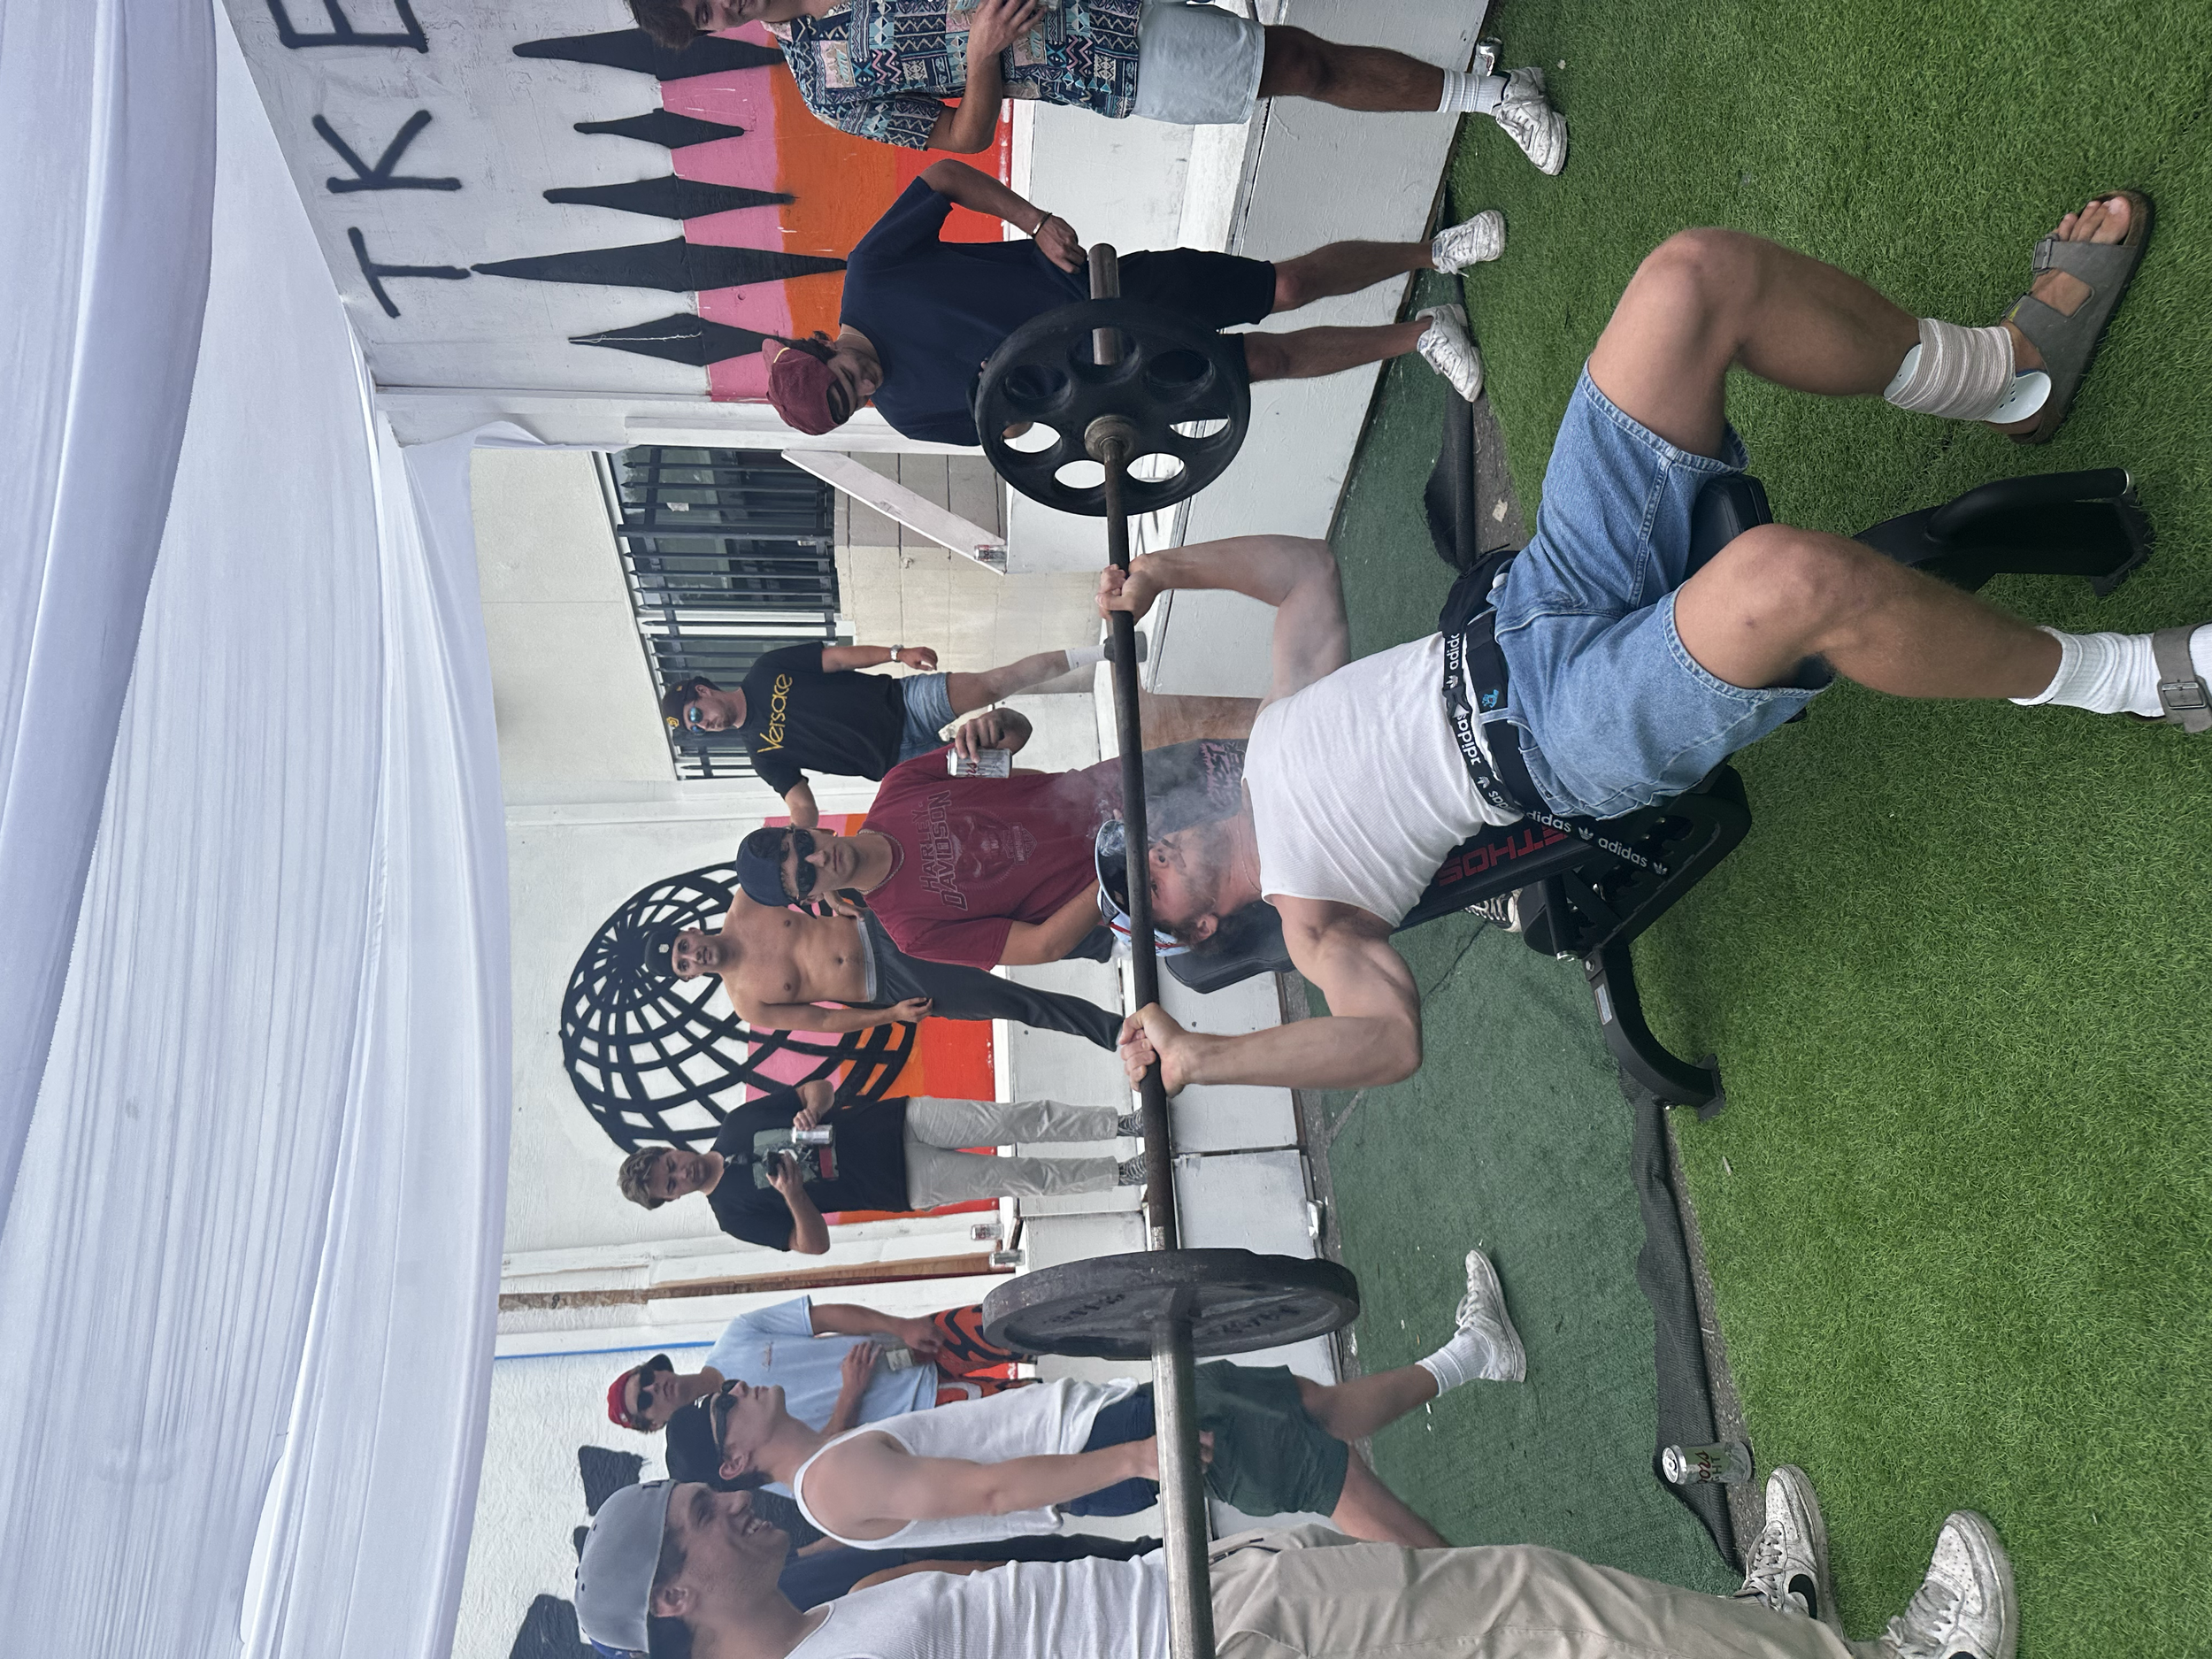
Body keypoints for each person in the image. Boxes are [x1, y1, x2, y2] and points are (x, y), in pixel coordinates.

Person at [1106, 193, 2201, 1095]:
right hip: (1565, 738)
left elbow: (1302, 570)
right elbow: (1387, 1042)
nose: (1141, 846)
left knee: (1688, 278)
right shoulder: (1314, 925)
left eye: (1128, 839)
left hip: (1534, 600)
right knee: (1790, 577)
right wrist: (1208, 1056)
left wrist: (1162, 569)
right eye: (1138, 885)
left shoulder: (1273, 729)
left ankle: (2010, 378)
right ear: (1203, 922)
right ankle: (2133, 682)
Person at [575, 1462, 2019, 1659]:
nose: (736, 1503)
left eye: (710, 1489)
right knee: (1542, 1612)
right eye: (705, 1518)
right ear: (675, 1598)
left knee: (1543, 1622)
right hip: (1221, 1640)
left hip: (1202, 1607)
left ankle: (1763, 1627)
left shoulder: (836, 1625)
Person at [676, 1250, 1522, 1551]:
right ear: (735, 1459)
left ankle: (1475, 1351)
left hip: (1097, 1433)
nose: (735, 1386)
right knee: (1324, 1478)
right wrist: (1129, 1457)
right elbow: (992, 1491)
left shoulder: (827, 1464)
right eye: (724, 1409)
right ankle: (1497, 1603)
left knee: (1308, 1407)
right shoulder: (828, 1485)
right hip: (1102, 1449)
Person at [757, 157, 1497, 447]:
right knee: (1261, 362)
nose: (866, 388)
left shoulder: (871, 273)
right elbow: (1008, 431)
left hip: (1104, 292)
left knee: (1285, 286)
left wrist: (1036, 221)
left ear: (824, 342)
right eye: (853, 402)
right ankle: (1425, 334)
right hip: (1111, 383)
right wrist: (1013, 409)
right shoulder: (907, 415)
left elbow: (944, 178)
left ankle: (1436, 250)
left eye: (847, 377)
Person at [623, 0, 1566, 173]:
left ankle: (1481, 81)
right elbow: (953, 140)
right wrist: (985, 51)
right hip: (1099, 52)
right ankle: (1493, 96)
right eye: (708, 14)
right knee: (1295, 68)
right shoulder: (824, 85)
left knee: (1297, 58)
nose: (724, 2)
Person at [615, 1077, 1145, 1252]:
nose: (679, 1173)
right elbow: (813, 1246)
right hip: (899, 1182)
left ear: (668, 1148)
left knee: (1014, 1118)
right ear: (672, 1199)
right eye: (670, 1186)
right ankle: (1121, 1174)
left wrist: (812, 1109)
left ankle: (1119, 1125)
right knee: (1019, 1178)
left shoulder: (733, 1123)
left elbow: (817, 1087)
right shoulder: (732, 1216)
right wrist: (794, 1194)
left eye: (669, 1164)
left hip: (895, 1121)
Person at [733, 749, 1124, 971]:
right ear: (811, 899)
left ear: (816, 830)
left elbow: (1019, 767)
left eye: (802, 843)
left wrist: (1002, 726)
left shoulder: (900, 782)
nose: (817, 857)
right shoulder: (912, 931)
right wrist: (1117, 863)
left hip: (1114, 784)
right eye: (804, 874)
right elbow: (1043, 946)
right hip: (1138, 875)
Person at [662, 641, 1110, 829]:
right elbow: (801, 804)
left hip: (901, 701)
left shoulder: (765, 671)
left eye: (696, 712)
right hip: (902, 764)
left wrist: (898, 652)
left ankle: (1100, 651)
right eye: (696, 728)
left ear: (702, 690)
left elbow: (836, 659)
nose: (704, 724)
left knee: (992, 683)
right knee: (1000, 775)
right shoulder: (760, 754)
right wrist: (797, 838)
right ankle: (1092, 793)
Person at [664, 887, 1123, 1048]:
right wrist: (891, 1015)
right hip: (888, 984)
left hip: (882, 926)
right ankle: (1118, 1034)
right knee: (1014, 1004)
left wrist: (831, 892)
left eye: (684, 947)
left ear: (691, 930)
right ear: (689, 978)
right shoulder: (747, 1002)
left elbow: (800, 846)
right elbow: (824, 1019)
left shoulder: (746, 902)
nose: (691, 958)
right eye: (683, 966)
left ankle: (1115, 939)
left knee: (1008, 937)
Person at [605, 1296, 1029, 1437]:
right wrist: (851, 1393)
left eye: (644, 1379)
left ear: (657, 1369)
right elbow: (818, 1463)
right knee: (1043, 1408)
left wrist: (898, 1324)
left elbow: (823, 1318)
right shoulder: (732, 1450)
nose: (652, 1390)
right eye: (643, 1403)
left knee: (1034, 1316)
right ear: (654, 1426)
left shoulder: (736, 1334)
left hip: (920, 1344)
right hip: (925, 1413)